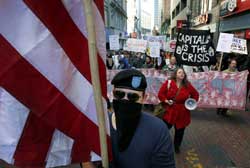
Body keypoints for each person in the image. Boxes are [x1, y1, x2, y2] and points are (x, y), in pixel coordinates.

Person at [110, 69, 175, 168]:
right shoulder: (100, 124)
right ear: (113, 93)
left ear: (144, 98)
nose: (125, 100)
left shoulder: (158, 130)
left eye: (133, 97)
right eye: (119, 94)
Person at [158, 67, 199, 154]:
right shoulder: (169, 83)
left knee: (180, 131)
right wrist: (166, 101)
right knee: (164, 129)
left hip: (182, 112)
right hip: (170, 111)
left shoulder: (187, 85)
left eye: (183, 73)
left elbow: (195, 94)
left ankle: (177, 146)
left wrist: (190, 103)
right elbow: (160, 94)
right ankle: (160, 144)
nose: (182, 74)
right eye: (180, 72)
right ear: (176, 74)